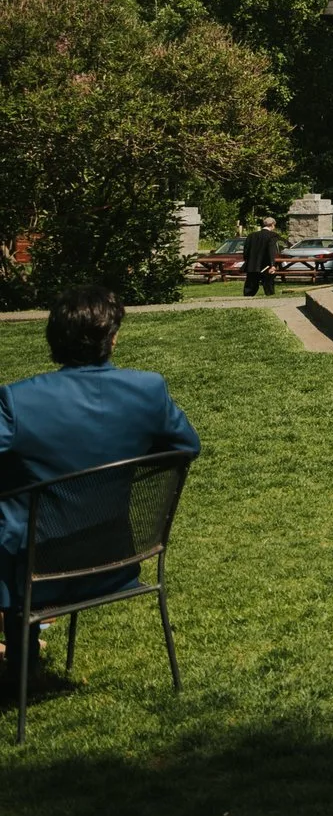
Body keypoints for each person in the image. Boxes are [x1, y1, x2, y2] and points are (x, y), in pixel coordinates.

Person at [0, 287, 203, 688]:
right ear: (112, 338)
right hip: (114, 560)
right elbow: (186, 447)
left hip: (31, 571)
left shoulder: (17, 402)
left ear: (53, 339)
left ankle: (21, 665)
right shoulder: (148, 390)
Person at [241, 216, 282, 297]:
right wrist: (272, 265)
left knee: (250, 287)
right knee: (268, 286)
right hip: (266, 265)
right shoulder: (273, 235)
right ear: (272, 225)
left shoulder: (251, 235)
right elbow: (271, 251)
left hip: (252, 265)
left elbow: (246, 251)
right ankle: (269, 300)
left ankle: (245, 302)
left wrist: (247, 261)